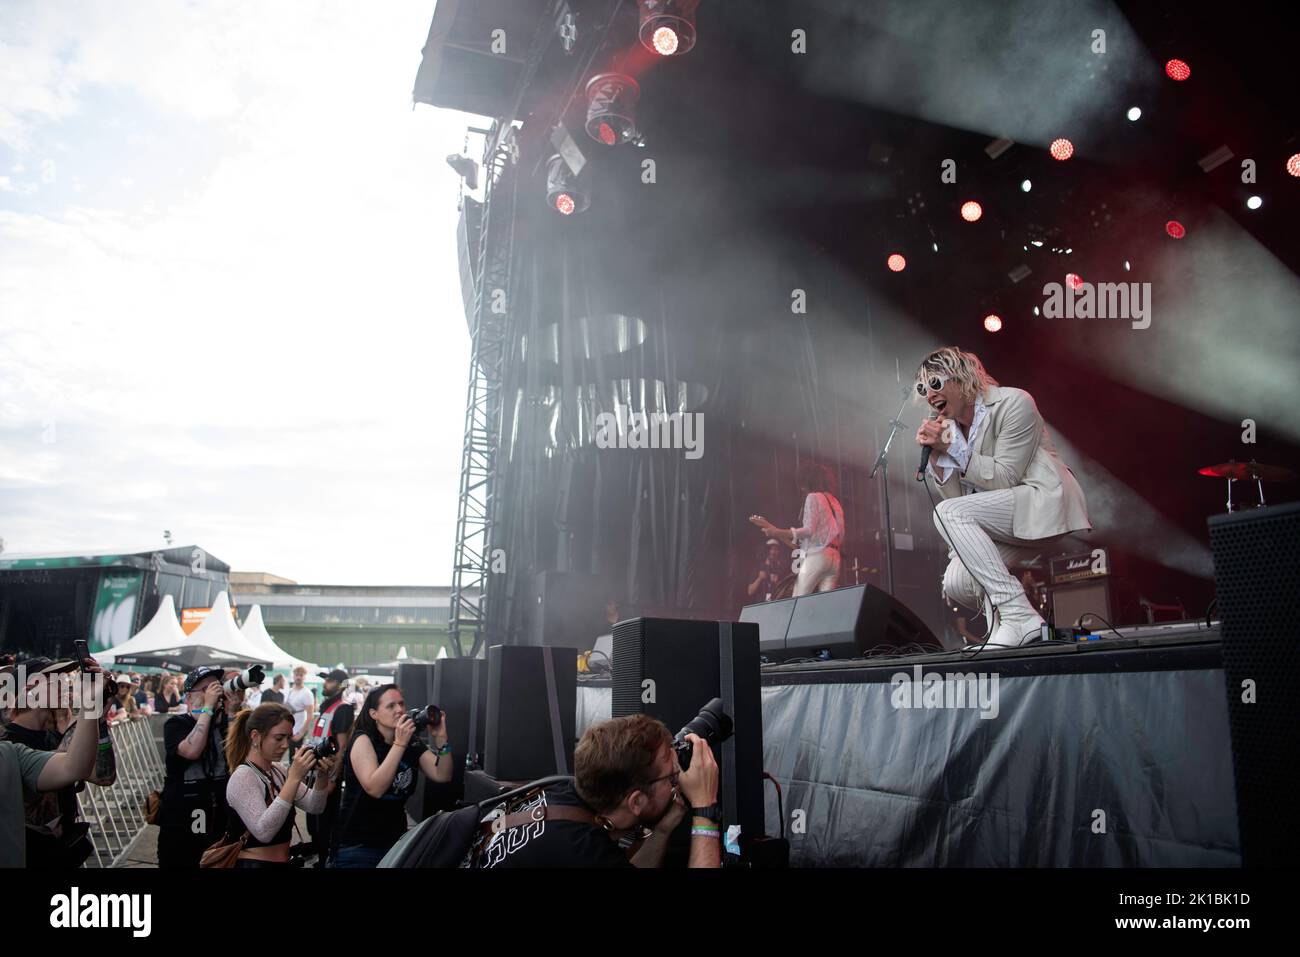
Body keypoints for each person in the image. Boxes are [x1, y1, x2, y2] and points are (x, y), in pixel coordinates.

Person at [913, 346, 1091, 647]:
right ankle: (1003, 626)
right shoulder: (952, 430)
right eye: (922, 388)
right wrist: (937, 460)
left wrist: (953, 450)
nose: (929, 394)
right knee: (957, 581)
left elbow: (1006, 477)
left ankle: (1020, 616)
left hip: (1038, 502)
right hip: (1002, 519)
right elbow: (960, 495)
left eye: (936, 384)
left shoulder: (1015, 403)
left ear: (962, 378)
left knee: (949, 512)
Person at [479, 713, 721, 868]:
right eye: (672, 776)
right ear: (635, 801)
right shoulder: (582, 853)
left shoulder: (560, 793)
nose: (678, 780)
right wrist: (704, 809)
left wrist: (664, 828)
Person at [0, 656, 117, 868]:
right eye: (57, 679)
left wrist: (98, 717)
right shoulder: (8, 745)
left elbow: (103, 776)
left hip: (62, 853)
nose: (67, 684)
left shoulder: (54, 736)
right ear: (30, 688)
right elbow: (69, 768)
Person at [331, 684, 452, 867]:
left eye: (401, 704)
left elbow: (442, 774)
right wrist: (399, 744)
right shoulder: (363, 740)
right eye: (391, 706)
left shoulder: (410, 741)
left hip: (396, 843)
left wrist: (442, 740)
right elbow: (375, 788)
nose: (400, 710)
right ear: (374, 714)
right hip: (359, 846)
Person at [222, 703, 334, 868]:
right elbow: (263, 832)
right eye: (278, 738)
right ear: (255, 736)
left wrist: (322, 776)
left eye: (288, 738)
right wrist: (294, 778)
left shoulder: (279, 771)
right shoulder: (243, 776)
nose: (285, 745)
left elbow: (315, 806)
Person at [157, 666, 241, 867]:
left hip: (219, 813)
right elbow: (191, 750)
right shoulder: (176, 724)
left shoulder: (225, 725)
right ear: (189, 697)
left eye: (215, 687)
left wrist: (232, 712)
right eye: (205, 689)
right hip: (184, 818)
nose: (212, 693)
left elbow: (239, 759)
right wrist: (208, 708)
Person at [749, 462, 846, 596]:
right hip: (835, 559)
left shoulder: (813, 497)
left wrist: (775, 532)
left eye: (802, 484)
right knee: (826, 605)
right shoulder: (835, 502)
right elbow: (841, 536)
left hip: (817, 557)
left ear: (808, 482)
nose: (802, 489)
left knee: (798, 600)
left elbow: (808, 530)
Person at [302, 669, 354, 865]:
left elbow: (341, 749)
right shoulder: (327, 707)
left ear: (341, 685)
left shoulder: (342, 709)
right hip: (315, 773)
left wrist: (333, 779)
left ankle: (327, 860)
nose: (325, 683)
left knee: (326, 824)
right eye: (325, 680)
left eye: (330, 680)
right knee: (314, 823)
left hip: (327, 777)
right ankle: (321, 856)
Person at [285, 667, 314, 758]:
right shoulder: (290, 691)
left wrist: (301, 733)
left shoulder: (307, 693)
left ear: (304, 677)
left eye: (301, 675)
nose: (298, 677)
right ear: (293, 676)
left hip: (299, 729)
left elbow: (310, 715)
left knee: (296, 757)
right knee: (289, 755)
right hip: (289, 728)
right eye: (296, 675)